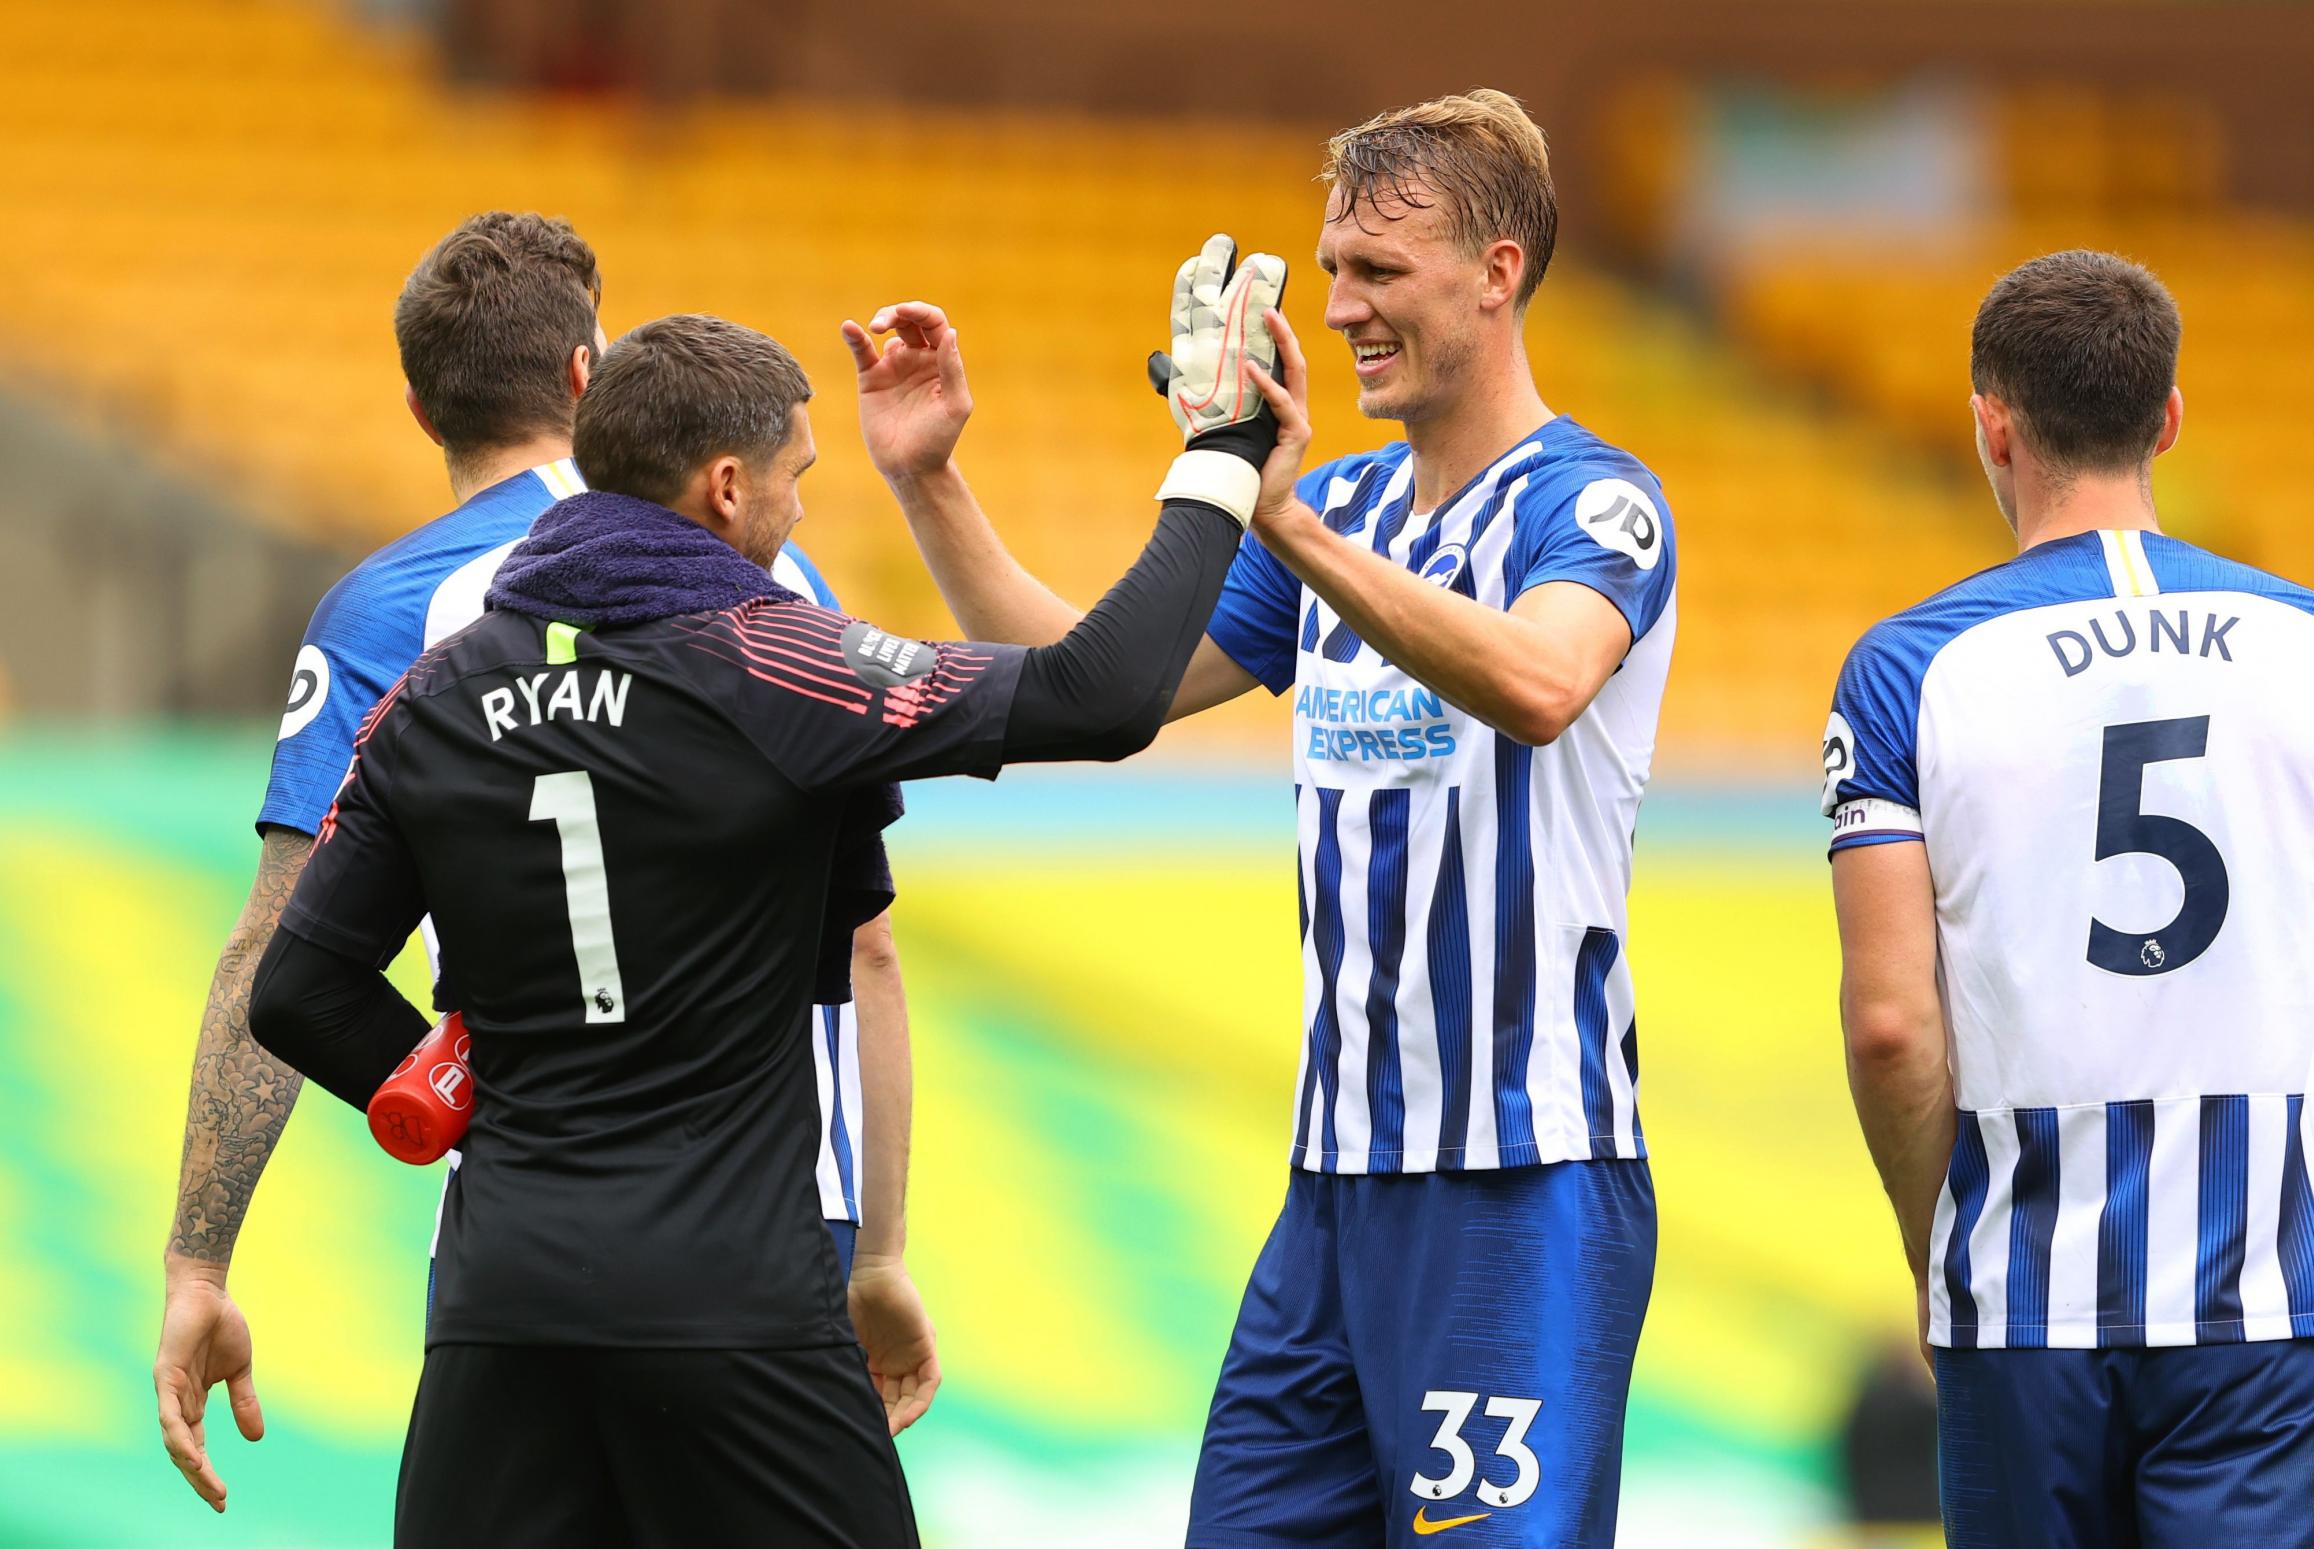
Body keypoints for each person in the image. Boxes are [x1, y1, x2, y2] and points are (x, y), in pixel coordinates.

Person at [245, 299, 1288, 1547]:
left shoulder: (437, 693)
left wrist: (463, 1094)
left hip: (499, 1308)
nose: (801, 508)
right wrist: (1221, 449)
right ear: (726, 487)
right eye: (797, 477)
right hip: (729, 1305)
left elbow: (297, 991)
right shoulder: (778, 664)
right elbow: (1103, 695)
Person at [846, 88, 1672, 1547]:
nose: (1338, 307)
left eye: (1379, 272)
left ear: (1499, 271)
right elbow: (1094, 687)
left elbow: (1542, 683)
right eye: (1332, 267)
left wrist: (1282, 517)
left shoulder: (1597, 503)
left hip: (1516, 1186)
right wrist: (931, 483)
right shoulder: (1351, 497)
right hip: (1333, 1192)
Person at [152, 212, 934, 1515]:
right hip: (767, 1233)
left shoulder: (390, 612)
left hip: (524, 1246)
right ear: (592, 376)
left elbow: (278, 956)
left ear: (417, 405)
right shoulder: (755, 548)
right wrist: (881, 1249)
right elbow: (865, 940)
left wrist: (198, 1260)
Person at [1824, 249, 2314, 1547]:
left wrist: (1950, 1257)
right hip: (2272, 1299)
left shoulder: (1907, 670)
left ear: (1992, 421)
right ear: (2167, 420)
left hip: (2026, 1300)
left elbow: (1891, 1026)